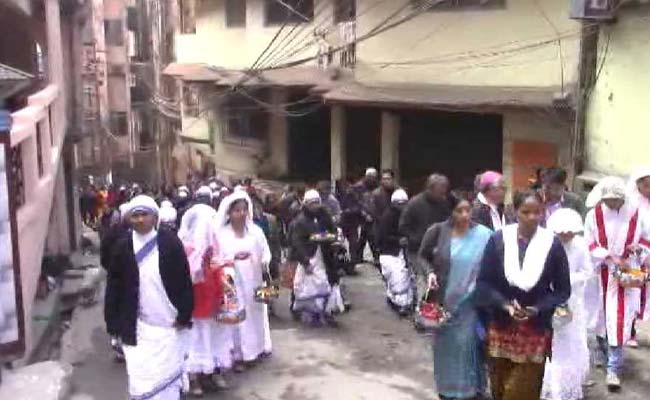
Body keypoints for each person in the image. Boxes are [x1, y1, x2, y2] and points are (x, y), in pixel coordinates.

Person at [476, 191, 571, 400]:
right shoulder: (498, 240)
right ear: (514, 211)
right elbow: (483, 283)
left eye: (537, 212)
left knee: (522, 389)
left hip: (535, 327)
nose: (532, 217)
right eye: (526, 212)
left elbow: (563, 290)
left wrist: (536, 309)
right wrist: (506, 305)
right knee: (499, 386)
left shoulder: (552, 244)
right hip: (501, 325)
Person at [106, 195, 193, 400]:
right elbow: (114, 287)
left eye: (144, 214)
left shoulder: (170, 243)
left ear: (155, 217)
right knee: (142, 380)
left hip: (170, 326)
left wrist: (184, 314)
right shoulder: (122, 248)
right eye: (135, 215)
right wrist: (114, 324)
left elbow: (183, 281)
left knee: (170, 381)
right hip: (139, 328)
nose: (140, 220)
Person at [419, 194, 492, 400]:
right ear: (449, 212)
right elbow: (422, 256)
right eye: (459, 211)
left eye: (468, 210)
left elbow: (493, 263)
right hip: (443, 303)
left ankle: (469, 391)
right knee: (445, 348)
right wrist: (430, 273)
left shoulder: (484, 235)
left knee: (466, 345)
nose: (464, 215)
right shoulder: (438, 231)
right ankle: (446, 390)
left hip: (470, 302)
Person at [584, 176, 650, 390]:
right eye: (608, 200)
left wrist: (637, 249)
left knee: (619, 320)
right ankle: (603, 353)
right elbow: (590, 242)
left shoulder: (635, 213)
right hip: (600, 273)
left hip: (626, 275)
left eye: (615, 201)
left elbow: (645, 240)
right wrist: (609, 256)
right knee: (601, 318)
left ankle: (614, 369)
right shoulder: (594, 215)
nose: (611, 204)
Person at [215, 191, 272, 370]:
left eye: (244, 210)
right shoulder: (222, 234)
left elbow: (266, 251)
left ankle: (256, 349)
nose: (241, 214)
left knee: (255, 312)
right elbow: (216, 257)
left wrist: (264, 261)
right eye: (236, 210)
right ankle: (239, 354)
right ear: (229, 213)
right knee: (236, 314)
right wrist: (233, 257)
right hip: (232, 280)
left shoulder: (255, 231)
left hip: (254, 278)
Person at [178, 200, 229, 396]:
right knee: (196, 340)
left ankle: (213, 372)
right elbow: (186, 277)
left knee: (215, 338)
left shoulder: (216, 246)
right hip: (195, 304)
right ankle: (194, 377)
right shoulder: (184, 248)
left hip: (213, 300)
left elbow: (223, 269)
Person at [541, 208, 592, 400]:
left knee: (570, 341)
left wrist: (567, 280)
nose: (566, 237)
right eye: (562, 233)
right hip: (551, 297)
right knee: (552, 340)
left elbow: (587, 271)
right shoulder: (548, 244)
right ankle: (550, 383)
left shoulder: (580, 245)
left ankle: (568, 384)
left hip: (573, 299)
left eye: (569, 233)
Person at [289, 190, 340, 325]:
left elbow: (332, 231)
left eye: (317, 203)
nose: (315, 206)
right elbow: (297, 243)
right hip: (310, 256)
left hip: (325, 255)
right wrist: (305, 261)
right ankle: (309, 312)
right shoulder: (300, 221)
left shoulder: (325, 215)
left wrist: (331, 239)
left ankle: (328, 311)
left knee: (328, 283)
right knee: (306, 286)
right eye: (312, 203)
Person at [399, 174, 451, 299]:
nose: (442, 196)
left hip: (437, 250)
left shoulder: (443, 203)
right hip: (417, 250)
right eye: (440, 192)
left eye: (444, 192)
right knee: (422, 281)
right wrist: (418, 239)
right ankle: (420, 309)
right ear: (430, 189)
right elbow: (403, 226)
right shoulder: (414, 204)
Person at [377, 189, 412, 315]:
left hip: (401, 253)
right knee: (396, 277)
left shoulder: (407, 216)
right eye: (399, 203)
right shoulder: (388, 216)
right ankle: (398, 302)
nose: (402, 206)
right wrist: (398, 241)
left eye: (404, 203)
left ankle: (403, 302)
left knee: (403, 277)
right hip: (389, 252)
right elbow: (382, 236)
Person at [353, 168, 380, 266]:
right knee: (368, 236)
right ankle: (374, 256)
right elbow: (356, 202)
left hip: (373, 215)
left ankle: (359, 256)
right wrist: (364, 214)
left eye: (374, 177)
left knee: (366, 236)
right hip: (360, 216)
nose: (373, 179)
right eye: (371, 177)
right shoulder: (358, 187)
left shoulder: (376, 186)